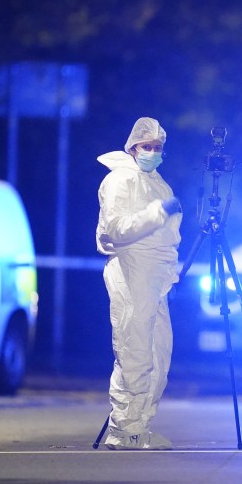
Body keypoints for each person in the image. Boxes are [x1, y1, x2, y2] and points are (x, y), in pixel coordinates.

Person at [96, 117, 183, 450]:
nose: (153, 152)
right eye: (147, 147)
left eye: (158, 147)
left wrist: (168, 272)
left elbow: (168, 237)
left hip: (156, 278)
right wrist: (157, 214)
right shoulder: (119, 181)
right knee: (133, 351)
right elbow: (117, 229)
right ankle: (122, 429)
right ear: (133, 148)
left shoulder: (159, 184)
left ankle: (141, 427)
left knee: (159, 353)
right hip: (131, 270)